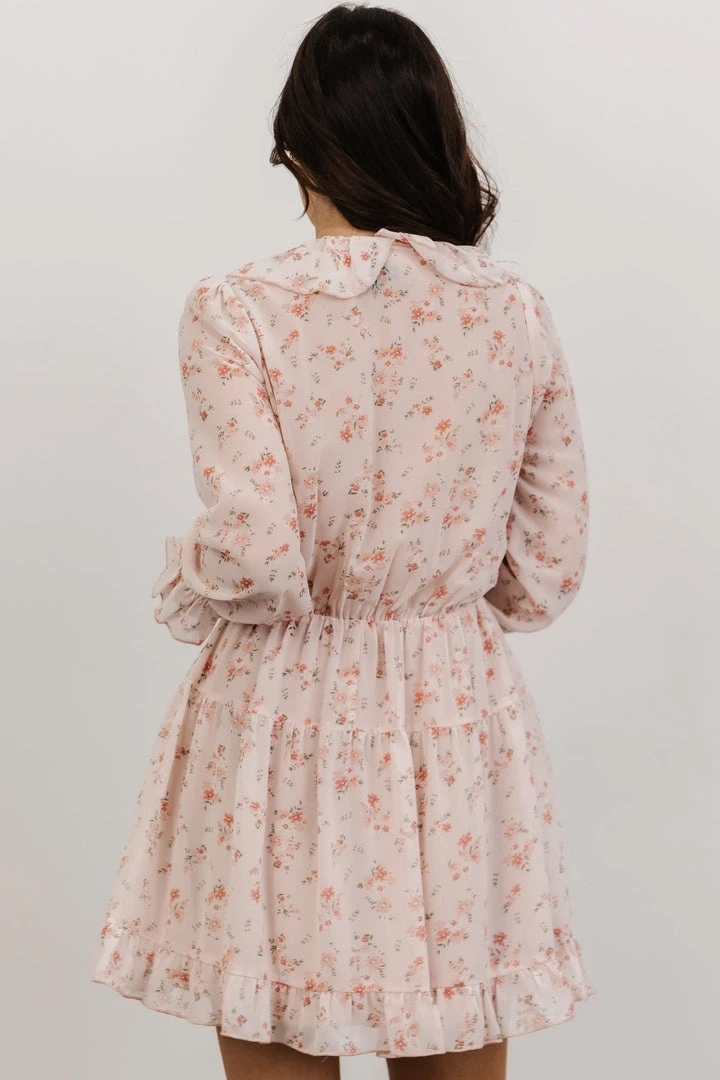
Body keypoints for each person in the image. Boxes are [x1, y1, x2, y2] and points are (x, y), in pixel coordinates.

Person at [90, 4, 596, 1077]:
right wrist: (432, 597)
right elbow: (546, 570)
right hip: (454, 709)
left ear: (299, 145)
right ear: (435, 139)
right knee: (452, 1012)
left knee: (275, 1007)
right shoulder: (513, 311)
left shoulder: (239, 308)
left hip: (283, 710)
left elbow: (257, 557)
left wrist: (189, 577)